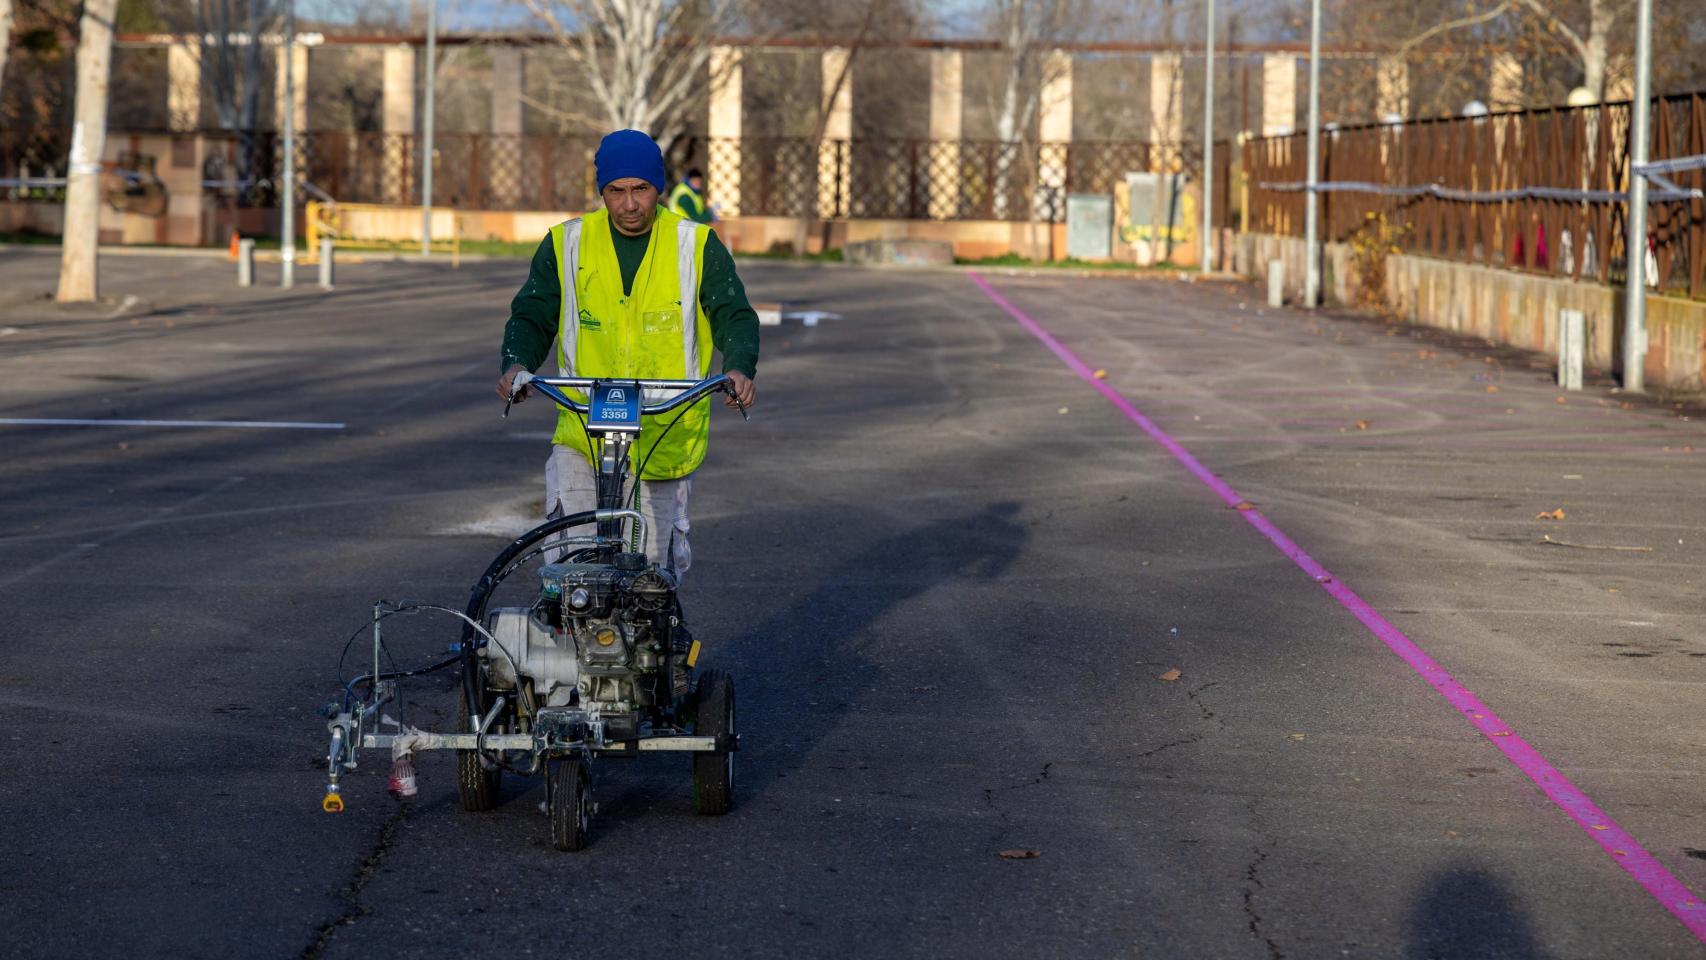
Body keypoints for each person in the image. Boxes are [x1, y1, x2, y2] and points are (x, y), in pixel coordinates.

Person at [498, 130, 759, 580]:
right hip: (584, 433)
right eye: (616, 191)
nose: (630, 204)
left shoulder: (695, 245)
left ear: (658, 188)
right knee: (570, 567)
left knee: (651, 580)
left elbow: (733, 314)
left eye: (641, 189)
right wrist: (517, 364)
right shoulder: (566, 244)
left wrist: (738, 368)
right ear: (602, 191)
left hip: (664, 433)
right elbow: (533, 315)